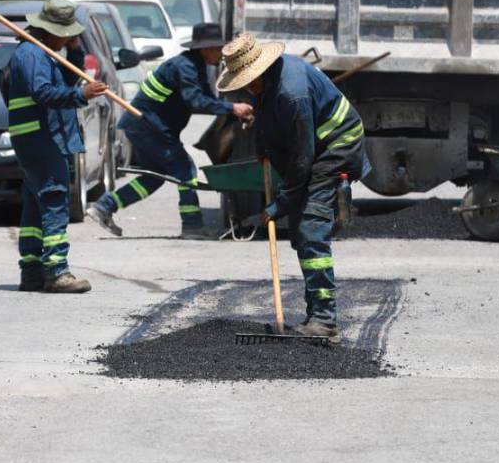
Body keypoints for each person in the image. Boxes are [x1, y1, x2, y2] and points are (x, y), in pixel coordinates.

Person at [217, 33, 370, 342]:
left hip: (337, 146)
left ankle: (324, 320)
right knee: (302, 229)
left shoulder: (292, 93)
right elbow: (269, 120)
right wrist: (263, 146)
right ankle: (315, 311)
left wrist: (280, 204)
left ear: (260, 69)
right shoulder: (267, 82)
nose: (247, 87)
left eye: (248, 81)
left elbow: (302, 158)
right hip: (314, 148)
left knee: (312, 227)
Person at [86, 23, 254, 238]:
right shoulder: (185, 67)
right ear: (205, 48)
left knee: (153, 179)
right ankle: (192, 226)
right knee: (185, 171)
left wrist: (231, 108)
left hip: (149, 127)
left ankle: (104, 207)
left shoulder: (197, 65)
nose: (222, 53)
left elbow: (207, 99)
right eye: (218, 48)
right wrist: (232, 108)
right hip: (148, 126)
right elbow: (195, 101)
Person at [5, 0, 109, 293]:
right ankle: (56, 271)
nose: (68, 38)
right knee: (53, 199)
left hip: (45, 138)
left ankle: (32, 271)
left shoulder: (46, 52)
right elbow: (44, 92)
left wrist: (75, 50)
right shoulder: (31, 54)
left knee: (37, 205)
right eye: (66, 33)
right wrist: (82, 95)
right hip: (39, 138)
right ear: (50, 30)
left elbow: (64, 80)